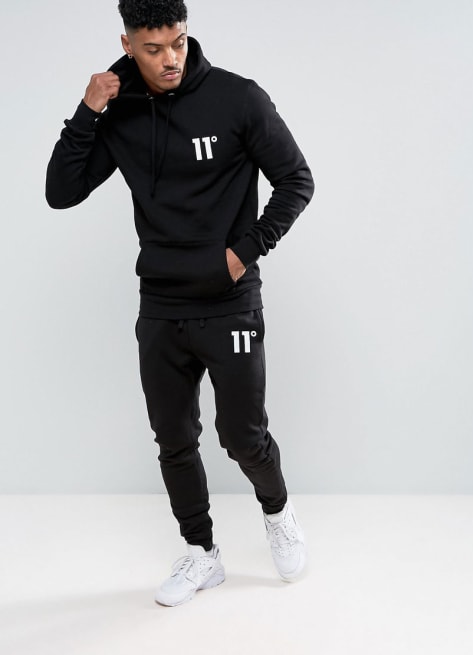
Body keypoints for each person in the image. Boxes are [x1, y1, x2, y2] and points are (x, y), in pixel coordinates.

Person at [46, 0, 314, 607]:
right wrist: (87, 111)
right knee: (173, 439)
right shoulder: (119, 110)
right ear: (127, 43)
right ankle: (202, 553)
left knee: (242, 436)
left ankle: (277, 513)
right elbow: (61, 192)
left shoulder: (238, 98)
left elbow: (297, 179)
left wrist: (243, 252)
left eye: (179, 42)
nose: (170, 59)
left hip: (230, 301)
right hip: (160, 305)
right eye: (153, 48)